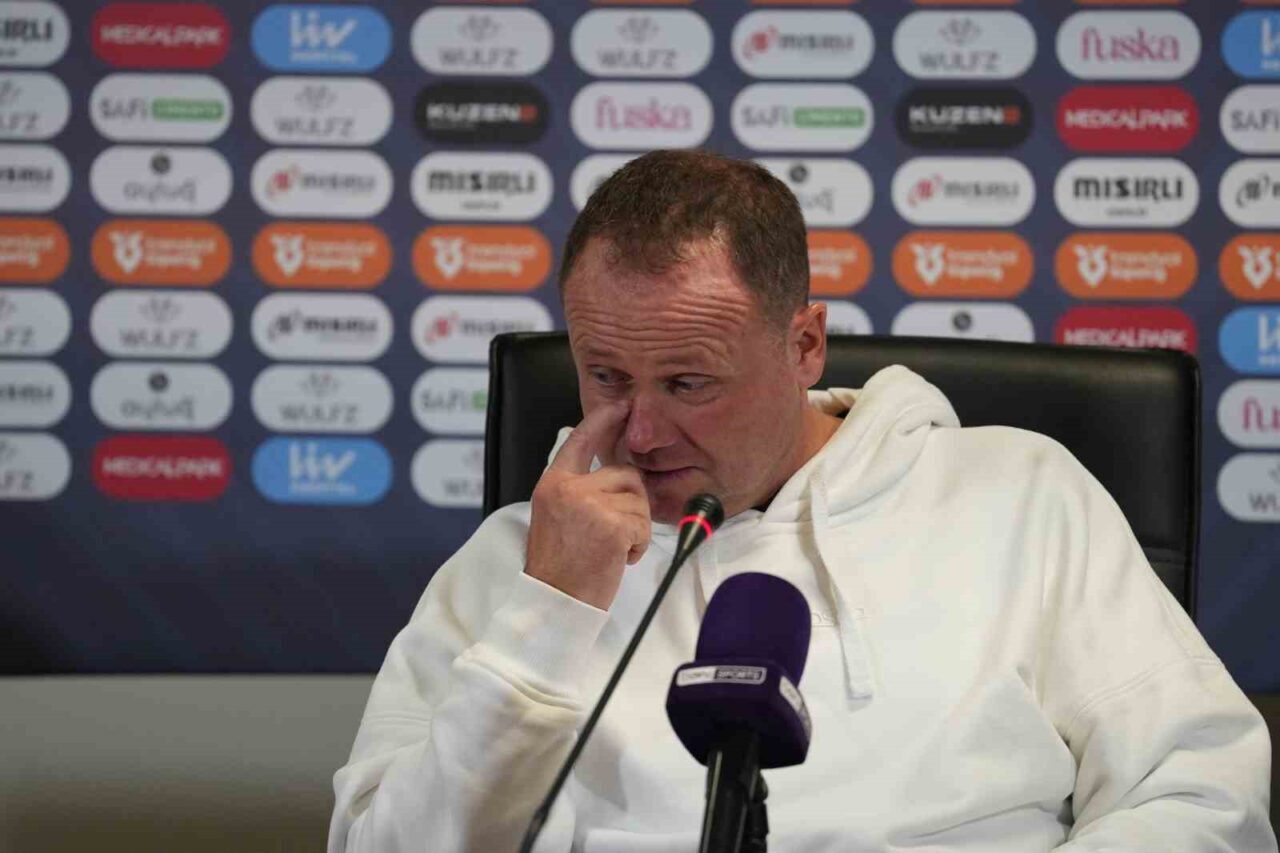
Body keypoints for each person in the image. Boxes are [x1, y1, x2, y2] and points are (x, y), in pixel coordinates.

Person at [329, 150, 1275, 852]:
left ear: (804, 346)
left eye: (689, 383)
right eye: (606, 376)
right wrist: (546, 619)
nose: (642, 431)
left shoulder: (1019, 494)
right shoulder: (522, 562)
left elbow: (1204, 796)